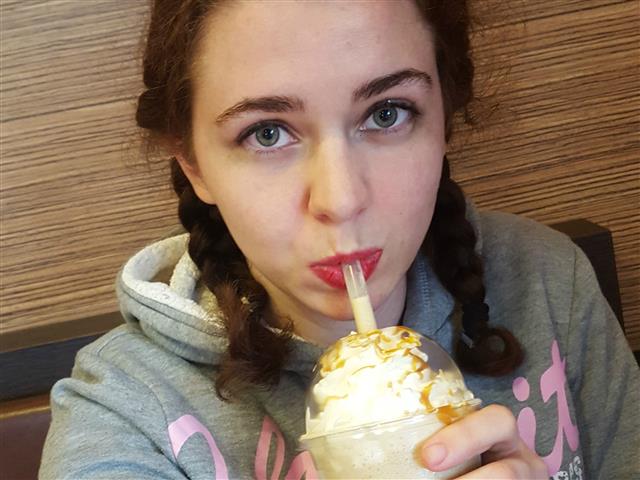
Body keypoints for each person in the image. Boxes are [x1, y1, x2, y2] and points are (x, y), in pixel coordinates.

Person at [40, 1, 639, 479]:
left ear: (444, 120)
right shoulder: (126, 410)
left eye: (387, 113)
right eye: (267, 133)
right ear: (193, 164)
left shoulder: (547, 283)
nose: (341, 198)